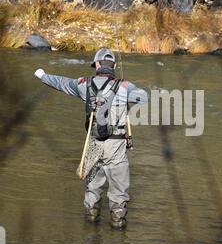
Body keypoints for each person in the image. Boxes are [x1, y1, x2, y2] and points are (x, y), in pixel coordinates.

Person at [34, 48, 148, 229]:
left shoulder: (83, 84)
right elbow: (144, 98)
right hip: (116, 147)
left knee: (93, 190)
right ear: (115, 66)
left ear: (96, 65)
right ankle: (118, 233)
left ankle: (90, 228)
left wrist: (42, 75)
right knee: (119, 194)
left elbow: (61, 83)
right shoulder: (124, 87)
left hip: (93, 144)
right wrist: (126, 92)